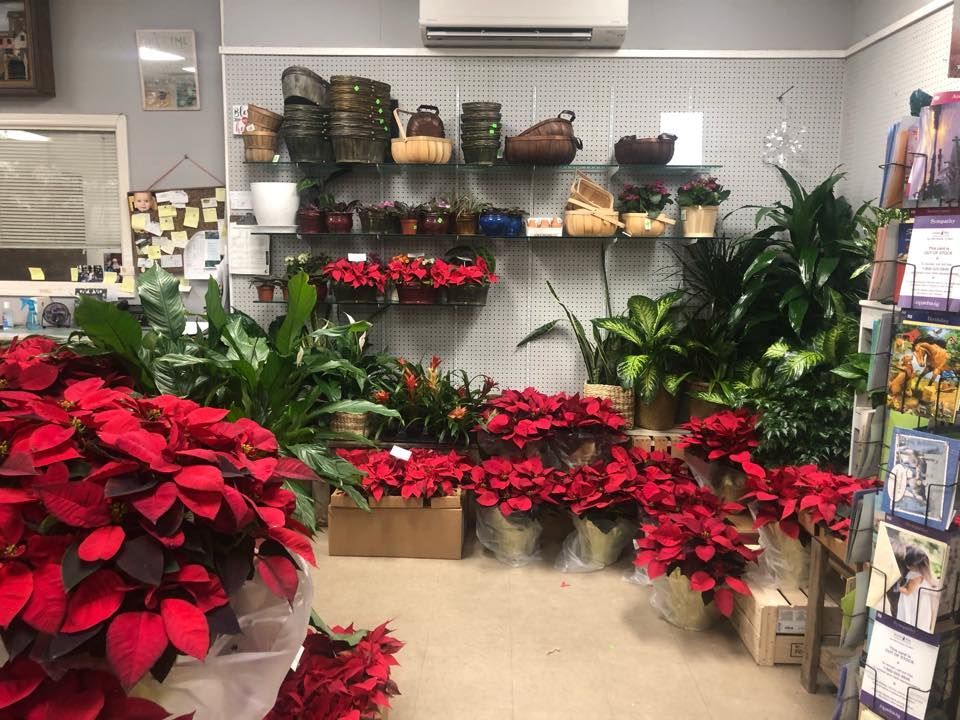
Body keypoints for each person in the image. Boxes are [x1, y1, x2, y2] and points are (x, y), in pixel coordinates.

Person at [896, 546, 938, 631]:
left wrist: (896, 587)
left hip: (912, 603)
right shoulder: (926, 575)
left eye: (909, 564)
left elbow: (908, 591)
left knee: (909, 619)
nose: (907, 566)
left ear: (914, 565)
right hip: (920, 603)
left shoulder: (915, 576)